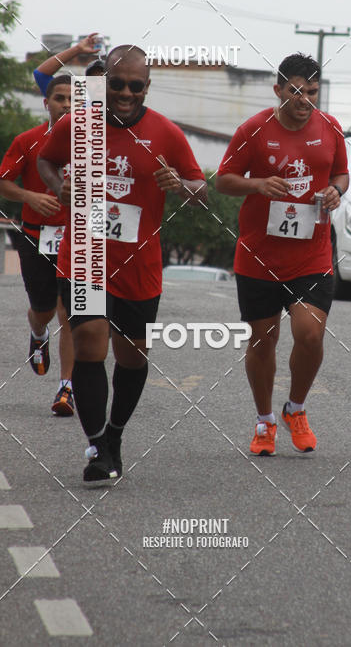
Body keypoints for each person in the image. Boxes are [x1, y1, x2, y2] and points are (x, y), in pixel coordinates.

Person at [38, 45, 207, 486]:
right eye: (117, 84)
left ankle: (114, 435)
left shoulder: (166, 133)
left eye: (135, 86)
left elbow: (200, 189)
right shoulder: (79, 124)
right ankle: (95, 446)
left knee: (132, 359)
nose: (126, 92)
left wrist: (182, 184)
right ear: (103, 84)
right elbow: (45, 159)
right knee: (90, 342)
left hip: (139, 265)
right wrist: (61, 188)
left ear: (147, 87)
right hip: (85, 255)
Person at [216, 53, 348, 456]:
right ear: (278, 90)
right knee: (263, 339)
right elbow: (222, 181)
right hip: (259, 256)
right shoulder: (254, 129)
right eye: (295, 90)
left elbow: (341, 174)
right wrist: (257, 185)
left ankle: (296, 408)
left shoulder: (330, 128)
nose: (303, 98)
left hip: (311, 255)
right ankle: (265, 420)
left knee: (310, 333)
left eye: (311, 91)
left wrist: (336, 192)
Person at [0, 75, 75, 415]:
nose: (67, 105)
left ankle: (67, 389)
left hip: (81, 238)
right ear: (47, 103)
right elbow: (3, 183)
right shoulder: (28, 140)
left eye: (74, 99)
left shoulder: (97, 143)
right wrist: (30, 195)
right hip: (36, 235)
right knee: (45, 309)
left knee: (73, 312)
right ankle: (38, 331)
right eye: (60, 98)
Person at [34, 33, 102, 96]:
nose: (99, 83)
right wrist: (78, 49)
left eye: (103, 78)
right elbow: (41, 74)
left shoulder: (111, 104)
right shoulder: (76, 102)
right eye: (93, 79)